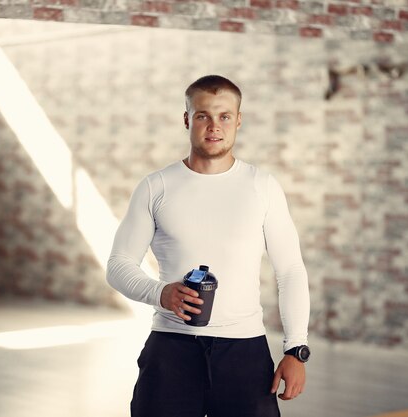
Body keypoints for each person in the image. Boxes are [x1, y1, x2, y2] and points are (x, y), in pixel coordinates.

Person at [106, 75, 310, 417]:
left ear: (238, 120)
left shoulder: (263, 187)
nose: (214, 126)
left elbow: (290, 271)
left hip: (245, 352)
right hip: (171, 349)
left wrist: (296, 349)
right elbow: (118, 264)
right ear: (187, 119)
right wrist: (160, 293)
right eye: (203, 115)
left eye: (225, 116)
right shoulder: (156, 187)